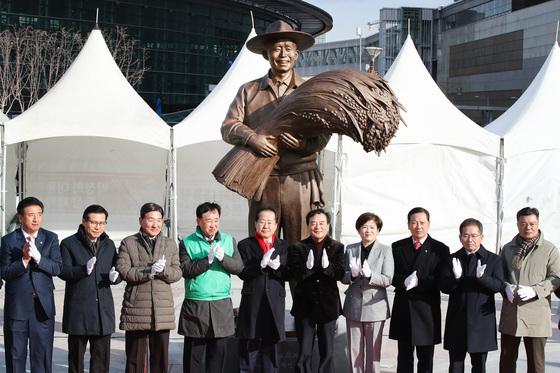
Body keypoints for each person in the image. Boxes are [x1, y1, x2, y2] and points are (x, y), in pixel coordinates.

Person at [222, 19, 330, 244]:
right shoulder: (249, 90)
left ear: (297, 54)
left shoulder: (310, 90)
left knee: (301, 247)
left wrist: (302, 146)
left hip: (299, 179)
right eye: (276, 48)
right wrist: (252, 138)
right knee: (262, 246)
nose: (283, 54)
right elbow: (228, 126)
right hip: (262, 178)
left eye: (288, 48)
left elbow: (323, 135)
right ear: (266, 54)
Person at [116, 202, 182, 373]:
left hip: (162, 309)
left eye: (159, 220)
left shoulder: (170, 244)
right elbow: (124, 271)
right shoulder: (128, 243)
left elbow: (177, 273)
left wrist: (163, 271)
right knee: (134, 360)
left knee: (160, 359)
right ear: (141, 220)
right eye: (151, 219)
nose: (155, 224)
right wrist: (148, 271)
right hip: (137, 308)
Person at [178, 202, 244, 373]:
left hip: (220, 303)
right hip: (196, 303)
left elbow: (239, 267)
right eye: (208, 220)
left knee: (218, 353)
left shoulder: (229, 240)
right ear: (199, 221)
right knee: (194, 355)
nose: (213, 225)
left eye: (216, 220)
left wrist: (224, 259)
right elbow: (185, 270)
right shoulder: (187, 242)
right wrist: (206, 261)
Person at [0, 196, 63, 373]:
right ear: (20, 218)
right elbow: (4, 272)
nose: (36, 219)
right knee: (15, 355)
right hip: (18, 308)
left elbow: (57, 267)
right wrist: (24, 260)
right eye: (31, 215)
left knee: (42, 357)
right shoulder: (8, 241)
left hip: (42, 309)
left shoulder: (50, 238)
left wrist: (39, 258)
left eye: (39, 214)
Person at [59, 204, 121, 373]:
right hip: (79, 312)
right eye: (93, 222)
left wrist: (116, 277)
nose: (97, 226)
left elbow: (116, 269)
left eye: (102, 223)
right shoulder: (69, 244)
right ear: (84, 222)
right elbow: (62, 271)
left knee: (101, 362)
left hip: (102, 311)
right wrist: (82, 270)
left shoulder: (108, 244)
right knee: (76, 361)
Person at [498, 207, 560, 373]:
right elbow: (500, 274)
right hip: (511, 314)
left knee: (536, 364)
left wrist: (536, 290)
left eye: (532, 223)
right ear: (517, 224)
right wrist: (505, 287)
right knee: (506, 362)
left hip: (537, 314)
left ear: (538, 223)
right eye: (523, 223)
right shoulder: (507, 248)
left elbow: (556, 278)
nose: (528, 227)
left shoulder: (550, 250)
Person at [389, 207, 450, 373]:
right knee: (404, 356)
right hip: (404, 308)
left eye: (422, 222)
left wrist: (420, 282)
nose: (418, 226)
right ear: (408, 224)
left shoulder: (440, 249)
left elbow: (441, 279)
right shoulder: (397, 247)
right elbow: (390, 275)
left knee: (425, 358)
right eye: (414, 222)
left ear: (429, 224)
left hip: (426, 309)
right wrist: (403, 282)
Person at [441, 218, 504, 373]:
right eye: (465, 235)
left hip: (481, 322)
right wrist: (455, 278)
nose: (470, 240)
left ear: (481, 237)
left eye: (474, 235)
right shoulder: (452, 259)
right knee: (455, 365)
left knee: (479, 366)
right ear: (460, 237)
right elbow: (443, 287)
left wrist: (483, 278)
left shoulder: (493, 259)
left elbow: (498, 286)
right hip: (457, 320)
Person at [288, 209, 345, 373]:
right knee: (304, 352)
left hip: (328, 306)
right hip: (304, 306)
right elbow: (294, 274)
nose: (317, 226)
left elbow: (340, 274)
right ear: (308, 226)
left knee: (327, 351)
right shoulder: (298, 247)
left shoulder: (337, 247)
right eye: (313, 223)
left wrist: (327, 268)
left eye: (321, 223)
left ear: (328, 226)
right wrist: (307, 268)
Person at [236, 206, 288, 372]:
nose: (266, 226)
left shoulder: (283, 245)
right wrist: (260, 265)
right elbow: (242, 272)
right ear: (255, 223)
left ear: (276, 225)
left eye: (270, 222)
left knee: (271, 348)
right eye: (262, 222)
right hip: (253, 302)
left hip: (274, 302)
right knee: (249, 345)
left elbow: (289, 273)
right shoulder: (245, 245)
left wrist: (278, 268)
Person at [342, 212, 394, 373]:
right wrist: (351, 274)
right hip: (354, 304)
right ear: (358, 230)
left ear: (378, 230)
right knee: (354, 350)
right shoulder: (351, 249)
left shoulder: (385, 250)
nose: (368, 231)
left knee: (373, 352)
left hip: (375, 306)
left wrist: (371, 275)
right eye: (364, 227)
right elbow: (343, 277)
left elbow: (387, 279)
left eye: (372, 227)